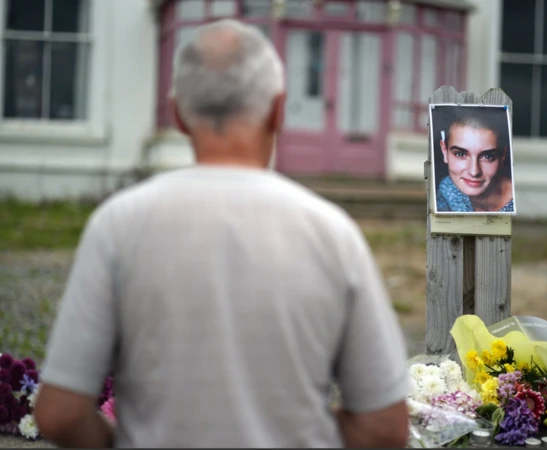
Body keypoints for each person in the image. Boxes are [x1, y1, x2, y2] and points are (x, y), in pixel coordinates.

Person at [32, 19, 409, 448]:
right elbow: (385, 425)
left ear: (177, 114)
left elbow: (59, 412)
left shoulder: (118, 223)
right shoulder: (331, 232)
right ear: (279, 109)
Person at [436, 108, 514, 213]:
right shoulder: (448, 188)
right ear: (444, 152)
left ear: (503, 156)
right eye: (460, 154)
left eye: (487, 156)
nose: (474, 172)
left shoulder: (519, 201)